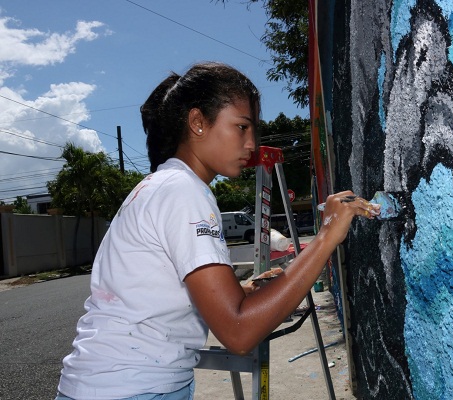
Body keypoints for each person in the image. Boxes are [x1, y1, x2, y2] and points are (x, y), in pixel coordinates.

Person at [55, 62, 380, 400]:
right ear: (197, 123)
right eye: (241, 127)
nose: (252, 143)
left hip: (111, 385)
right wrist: (327, 237)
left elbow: (157, 290)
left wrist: (238, 288)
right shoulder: (183, 191)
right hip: (130, 389)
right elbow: (238, 333)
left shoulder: (160, 185)